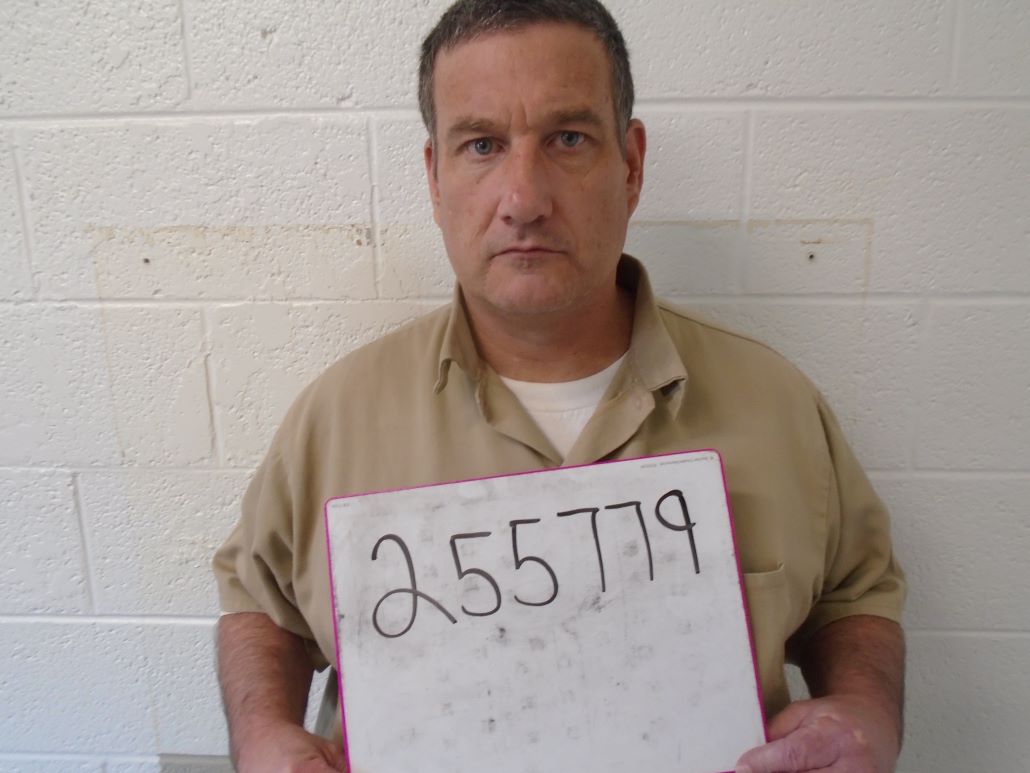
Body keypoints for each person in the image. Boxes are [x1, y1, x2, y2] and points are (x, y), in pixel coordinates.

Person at [213, 1, 906, 771]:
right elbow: (260, 605)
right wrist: (261, 731)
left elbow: (855, 594)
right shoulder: (335, 422)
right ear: (435, 176)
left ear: (631, 164)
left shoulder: (776, 406)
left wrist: (867, 709)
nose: (524, 199)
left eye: (568, 139)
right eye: (482, 145)